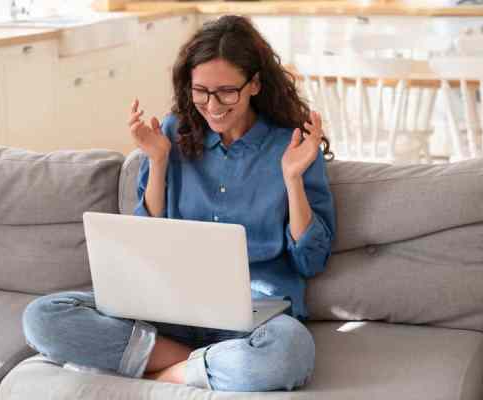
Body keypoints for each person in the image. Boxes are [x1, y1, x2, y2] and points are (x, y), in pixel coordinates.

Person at [22, 15, 336, 392]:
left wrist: (292, 179)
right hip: (169, 304)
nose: (212, 105)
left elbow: (310, 260)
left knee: (288, 354)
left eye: (226, 91)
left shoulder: (293, 146)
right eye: (200, 91)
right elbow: (148, 242)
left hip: (254, 312)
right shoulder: (174, 133)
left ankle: (157, 371)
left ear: (254, 84)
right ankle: (203, 366)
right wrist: (156, 161)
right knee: (42, 317)